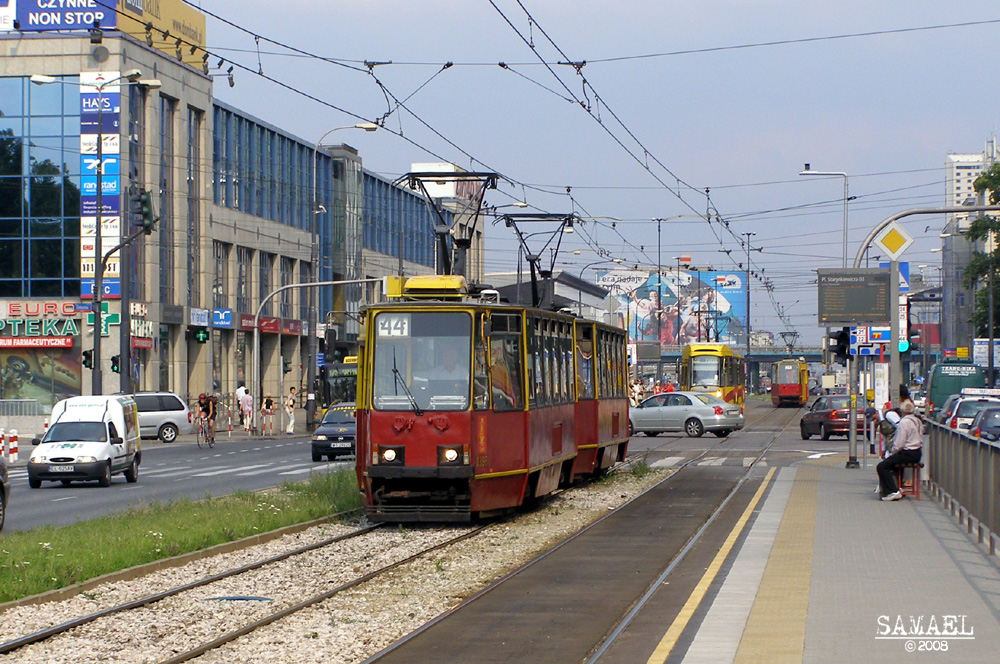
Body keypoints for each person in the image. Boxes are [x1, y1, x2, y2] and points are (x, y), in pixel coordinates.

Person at [876, 400, 923, 501]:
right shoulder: (917, 421)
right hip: (917, 452)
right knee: (894, 465)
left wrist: (893, 452)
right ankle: (899, 487)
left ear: (901, 411)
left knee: (882, 466)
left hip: (907, 452)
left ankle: (892, 491)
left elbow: (899, 443)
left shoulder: (904, 422)